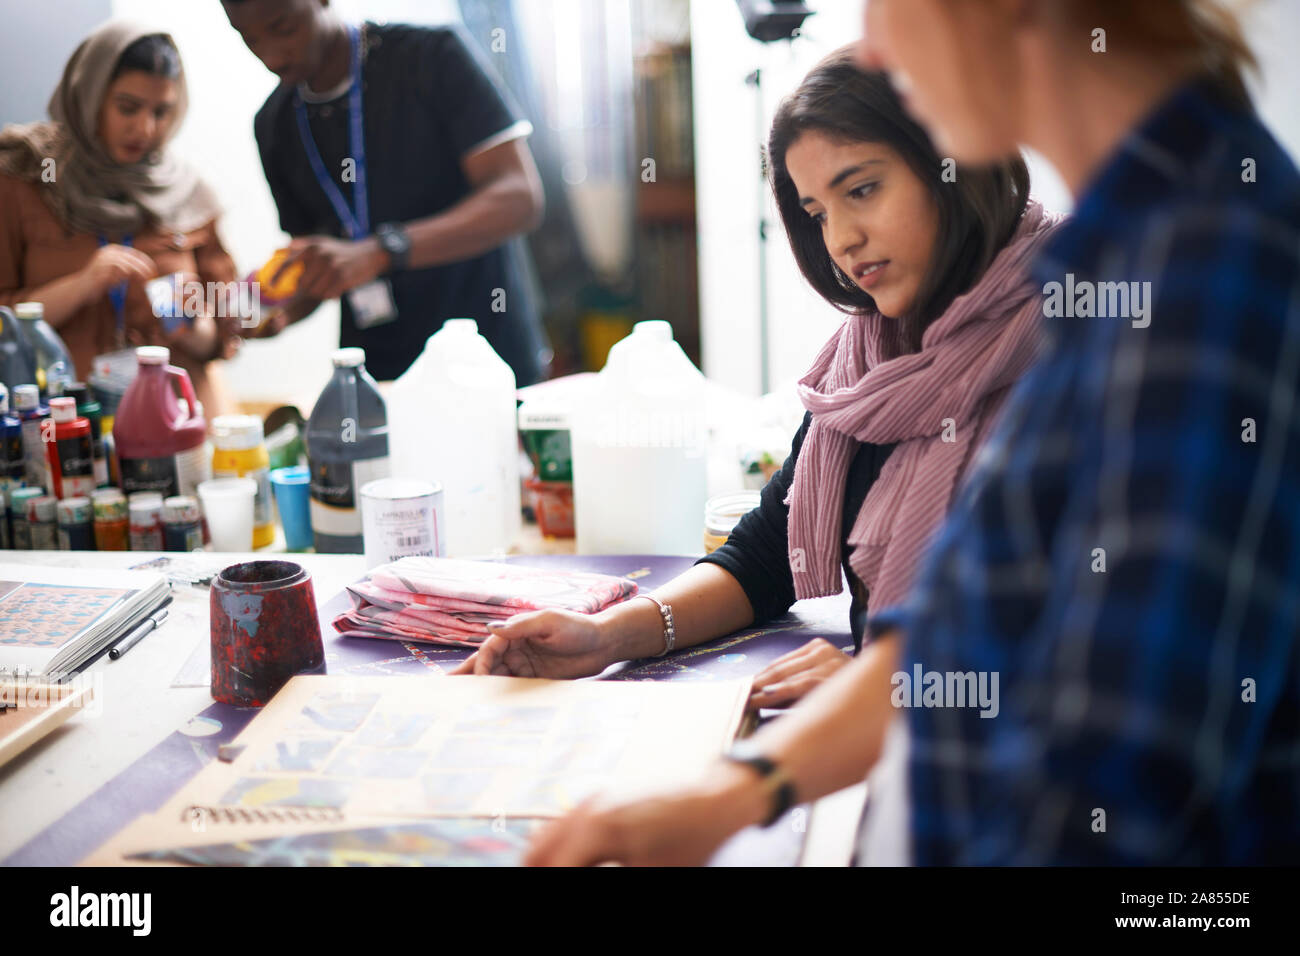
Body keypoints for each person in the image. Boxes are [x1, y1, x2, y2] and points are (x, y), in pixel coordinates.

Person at [518, 0, 1300, 866]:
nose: (877, 44)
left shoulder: (1201, 277)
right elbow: (961, 627)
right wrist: (733, 793)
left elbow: (1114, 782)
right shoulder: (1117, 260)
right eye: (818, 208)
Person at [456, 50, 1057, 741]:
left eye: (861, 190)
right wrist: (607, 637)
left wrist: (890, 686)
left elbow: (1090, 642)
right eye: (817, 212)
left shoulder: (1073, 345)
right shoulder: (868, 356)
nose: (842, 240)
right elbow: (766, 554)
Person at [221, 0, 551, 385]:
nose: (271, 54)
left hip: (486, 352)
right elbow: (323, 261)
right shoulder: (274, 124)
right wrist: (274, 312)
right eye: (249, 38)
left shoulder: (430, 57)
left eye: (283, 27)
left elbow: (520, 198)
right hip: (381, 373)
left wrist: (381, 252)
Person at [0, 23, 241, 415]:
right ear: (90, 94)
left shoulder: (188, 193)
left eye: (161, 112)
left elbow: (225, 333)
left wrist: (191, 322)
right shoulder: (27, 174)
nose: (145, 129)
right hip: (65, 425)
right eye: (127, 107)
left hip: (182, 423)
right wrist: (81, 285)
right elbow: (3, 321)